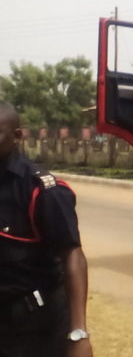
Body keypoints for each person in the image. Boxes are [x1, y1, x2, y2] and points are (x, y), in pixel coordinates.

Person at [0, 102, 93, 357]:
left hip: (37, 327)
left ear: (17, 136)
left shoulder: (42, 190)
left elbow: (72, 255)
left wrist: (78, 334)